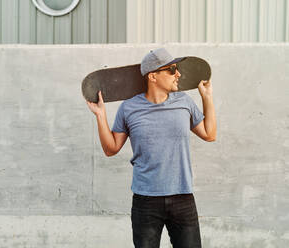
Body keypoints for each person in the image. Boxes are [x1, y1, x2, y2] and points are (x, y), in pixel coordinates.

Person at [86, 48, 216, 248]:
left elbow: (209, 134)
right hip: (146, 201)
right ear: (153, 76)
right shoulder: (129, 108)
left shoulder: (184, 102)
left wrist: (207, 97)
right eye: (172, 69)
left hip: (182, 197)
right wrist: (101, 115)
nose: (178, 74)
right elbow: (111, 149)